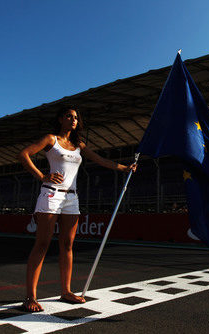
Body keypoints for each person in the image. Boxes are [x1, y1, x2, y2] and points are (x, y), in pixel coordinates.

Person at [18, 107, 136, 312]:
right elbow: (24, 154)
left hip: (72, 198)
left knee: (67, 245)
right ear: (60, 119)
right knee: (43, 244)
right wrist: (42, 176)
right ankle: (30, 297)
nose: (73, 120)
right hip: (51, 194)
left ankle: (66, 291)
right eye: (69, 116)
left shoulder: (78, 144)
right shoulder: (51, 139)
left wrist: (124, 168)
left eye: (76, 117)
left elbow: (100, 160)